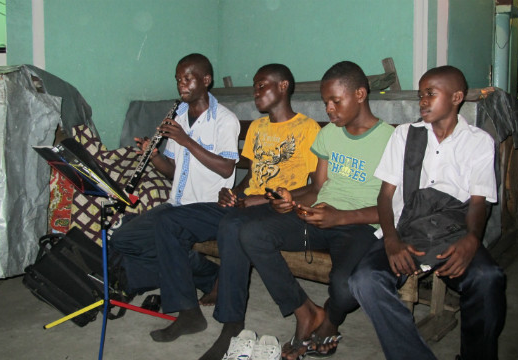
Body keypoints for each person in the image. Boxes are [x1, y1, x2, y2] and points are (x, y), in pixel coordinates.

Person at [200, 61, 394, 360]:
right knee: (251, 233)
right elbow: (316, 188)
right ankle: (305, 312)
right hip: (317, 216)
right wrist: (292, 200)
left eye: (335, 101)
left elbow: (392, 207)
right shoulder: (330, 134)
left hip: (358, 225)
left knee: (344, 287)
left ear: (360, 94)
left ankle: (329, 317)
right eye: (325, 101)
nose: (329, 109)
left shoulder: (390, 141)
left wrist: (339, 217)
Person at [145, 63, 322, 343]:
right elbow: (252, 174)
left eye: (262, 85)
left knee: (232, 225)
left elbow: (313, 187)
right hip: (245, 204)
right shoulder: (257, 128)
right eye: (254, 86)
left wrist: (259, 199)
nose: (255, 91)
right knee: (167, 220)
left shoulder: (308, 128)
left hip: (276, 208)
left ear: (283, 86)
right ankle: (188, 312)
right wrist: (233, 193)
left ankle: (231, 323)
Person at [349, 65, 506, 360]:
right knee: (364, 280)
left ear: (457, 97)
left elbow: (478, 202)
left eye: (430, 94)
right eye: (421, 95)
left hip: (453, 230)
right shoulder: (405, 135)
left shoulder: (478, 142)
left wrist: (472, 238)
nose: (422, 101)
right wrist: (391, 241)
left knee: (488, 278)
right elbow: (385, 196)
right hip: (406, 229)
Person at [110, 52, 240, 313]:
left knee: (165, 231)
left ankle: (186, 294)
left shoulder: (225, 120)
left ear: (206, 80)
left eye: (188, 79)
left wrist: (186, 141)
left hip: (210, 208)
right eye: (178, 79)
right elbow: (171, 171)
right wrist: (154, 155)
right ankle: (204, 271)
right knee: (123, 238)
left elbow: (226, 169)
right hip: (177, 205)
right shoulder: (179, 119)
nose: (182, 85)